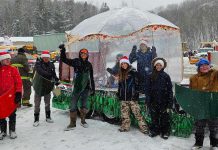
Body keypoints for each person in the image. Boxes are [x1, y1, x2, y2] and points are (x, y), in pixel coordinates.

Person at [59, 44, 95, 130]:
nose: (83, 54)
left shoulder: (89, 65)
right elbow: (64, 59)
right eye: (82, 53)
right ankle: (72, 124)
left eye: (85, 53)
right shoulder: (76, 61)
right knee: (73, 105)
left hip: (86, 87)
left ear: (87, 55)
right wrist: (63, 50)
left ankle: (83, 121)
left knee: (84, 105)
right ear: (80, 54)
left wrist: (93, 88)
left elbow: (91, 77)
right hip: (77, 87)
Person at [190, 58, 218, 150]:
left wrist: (212, 69)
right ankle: (198, 143)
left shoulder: (214, 75)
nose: (204, 67)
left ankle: (214, 144)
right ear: (198, 68)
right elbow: (192, 92)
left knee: (213, 126)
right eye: (201, 66)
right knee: (199, 126)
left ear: (209, 66)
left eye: (206, 65)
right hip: (200, 105)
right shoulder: (193, 78)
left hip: (212, 104)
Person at [117, 56, 148, 134]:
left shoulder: (133, 72)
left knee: (137, 114)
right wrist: (119, 93)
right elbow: (120, 86)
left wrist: (136, 93)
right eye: (122, 64)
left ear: (128, 63)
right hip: (123, 98)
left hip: (132, 98)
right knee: (124, 114)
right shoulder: (121, 73)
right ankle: (125, 127)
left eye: (125, 63)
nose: (123, 65)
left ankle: (144, 128)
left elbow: (139, 83)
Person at [145, 57, 173, 139]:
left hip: (164, 100)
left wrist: (170, 102)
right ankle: (155, 130)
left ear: (163, 66)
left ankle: (165, 131)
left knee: (164, 117)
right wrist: (148, 99)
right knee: (154, 116)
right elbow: (147, 89)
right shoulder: (150, 75)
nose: (158, 66)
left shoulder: (166, 76)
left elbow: (169, 90)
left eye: (160, 65)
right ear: (155, 66)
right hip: (153, 100)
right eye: (157, 65)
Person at [33, 50, 59, 127]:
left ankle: (48, 117)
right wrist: (50, 76)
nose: (46, 58)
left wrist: (57, 81)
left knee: (47, 103)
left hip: (48, 86)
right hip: (39, 86)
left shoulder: (51, 65)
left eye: (47, 57)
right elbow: (41, 72)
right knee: (37, 104)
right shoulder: (38, 64)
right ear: (42, 57)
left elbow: (54, 74)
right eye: (44, 57)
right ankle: (36, 119)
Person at [0, 52, 22, 139]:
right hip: (1, 97)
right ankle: (3, 131)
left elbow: (18, 82)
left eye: (9, 59)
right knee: (1, 114)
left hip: (11, 96)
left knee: (12, 114)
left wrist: (18, 93)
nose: (8, 60)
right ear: (1, 60)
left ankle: (12, 130)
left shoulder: (13, 69)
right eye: (6, 59)